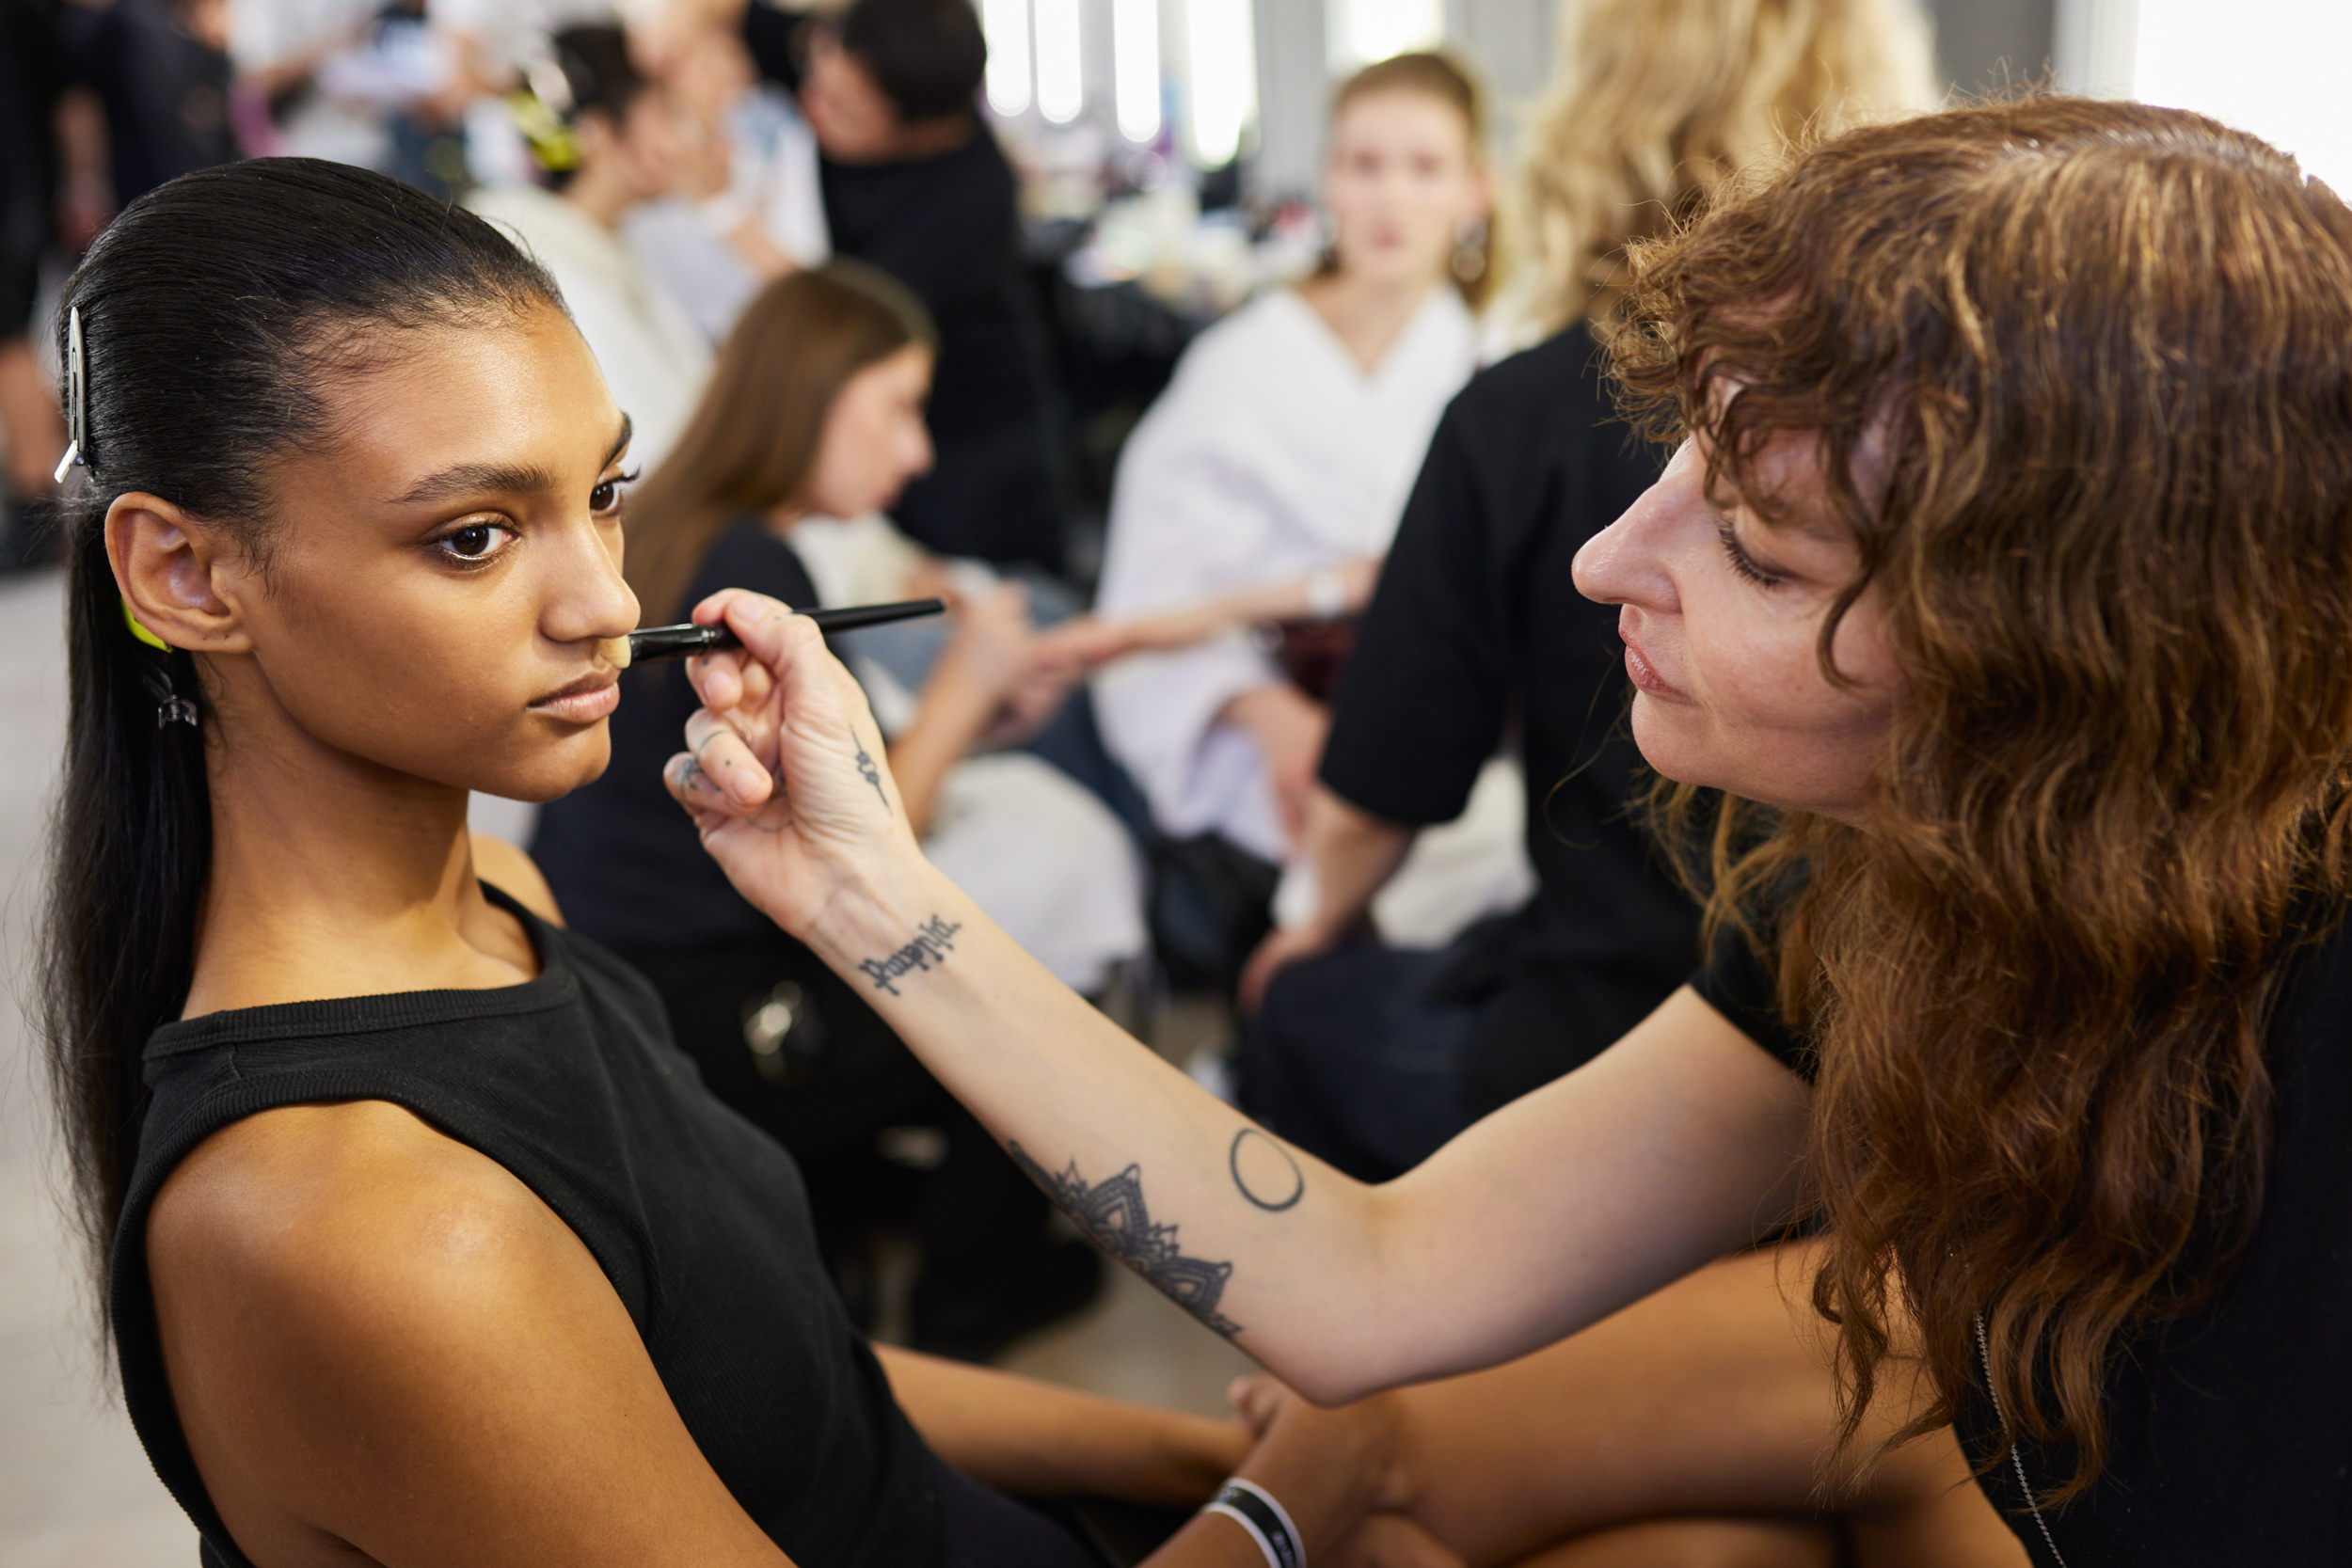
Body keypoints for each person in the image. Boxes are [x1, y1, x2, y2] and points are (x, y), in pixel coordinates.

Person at [664, 98, 2352, 1563]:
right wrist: (860, 883)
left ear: (2055, 670)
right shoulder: (1895, 877)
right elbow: (1378, 1273)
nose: (1607, 560)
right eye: (1681, 456)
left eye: (1761, 554)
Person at [41, 154, 1492, 1568]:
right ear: (186, 574)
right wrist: (1281, 1510)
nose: (606, 602)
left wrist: (1198, 1455)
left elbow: (788, 1370)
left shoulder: (505, 907)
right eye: (477, 537)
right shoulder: (376, 1227)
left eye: (603, 494)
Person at [1235, 0, 1934, 1179]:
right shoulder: (1929, 409)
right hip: (1876, 1047)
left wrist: (1314, 928)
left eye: (1759, 549)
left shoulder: (1519, 415)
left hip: (1628, 1041)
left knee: (1295, 1005)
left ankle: (1388, 1365)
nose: (1609, 567)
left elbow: (1381, 783)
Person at [532, 261, 1139, 1355]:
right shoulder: (747, 559)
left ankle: (859, 1208)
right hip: (709, 1005)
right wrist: (965, 682)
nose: (917, 452)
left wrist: (980, 709)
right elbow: (856, 837)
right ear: (812, 393)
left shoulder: (670, 520)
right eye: (899, 408)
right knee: (1012, 1010)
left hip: (614, 971)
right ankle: (969, 1298)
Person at [1086, 51, 1494, 963]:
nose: (1390, 198)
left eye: (1423, 168)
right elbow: (1156, 585)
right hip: (1265, 728)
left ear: (1478, 190)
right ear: (1327, 180)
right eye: (1363, 163)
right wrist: (1258, 709)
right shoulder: (1237, 366)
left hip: (1459, 736)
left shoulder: (1499, 363)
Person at [794, 0, 1066, 573]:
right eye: (820, 75)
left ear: (925, 130)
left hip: (972, 451)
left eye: (844, 109)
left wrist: (724, 213)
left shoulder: (970, 205)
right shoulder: (860, 59)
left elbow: (846, 318)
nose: (813, 106)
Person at [469, 24, 712, 475]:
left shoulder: (605, 244)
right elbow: (650, 448)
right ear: (598, 134)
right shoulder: (555, 278)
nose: (688, 139)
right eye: (665, 113)